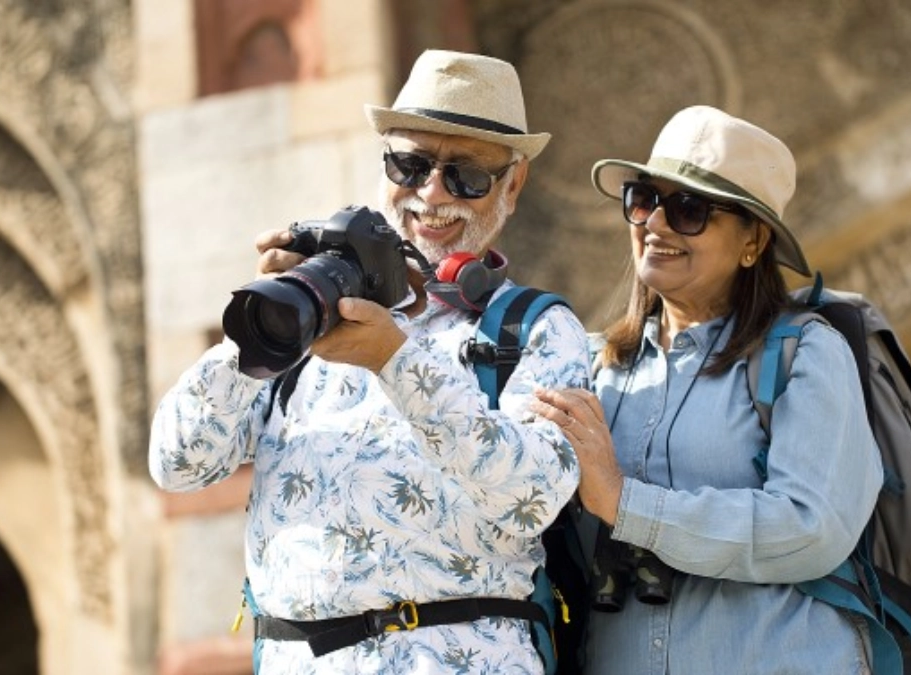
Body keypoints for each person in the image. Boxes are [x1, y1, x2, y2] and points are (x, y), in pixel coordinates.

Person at [149, 50, 590, 674]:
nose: (431, 193)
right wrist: (260, 332)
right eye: (410, 165)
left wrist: (395, 360)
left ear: (512, 185)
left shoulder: (534, 328)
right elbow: (178, 463)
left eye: (467, 176)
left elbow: (532, 496)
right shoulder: (313, 317)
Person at [532, 106, 885, 674]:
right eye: (644, 199)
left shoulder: (806, 354)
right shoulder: (592, 366)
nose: (656, 223)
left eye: (690, 209)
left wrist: (626, 504)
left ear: (753, 240)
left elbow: (812, 527)